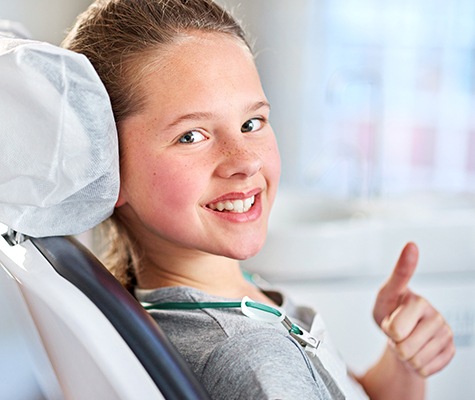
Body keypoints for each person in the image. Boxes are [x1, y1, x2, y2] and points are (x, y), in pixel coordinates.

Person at [62, 1, 455, 398]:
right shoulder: (252, 359)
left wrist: (402, 364)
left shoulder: (232, 299)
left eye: (251, 123)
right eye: (192, 135)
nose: (246, 161)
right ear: (105, 168)